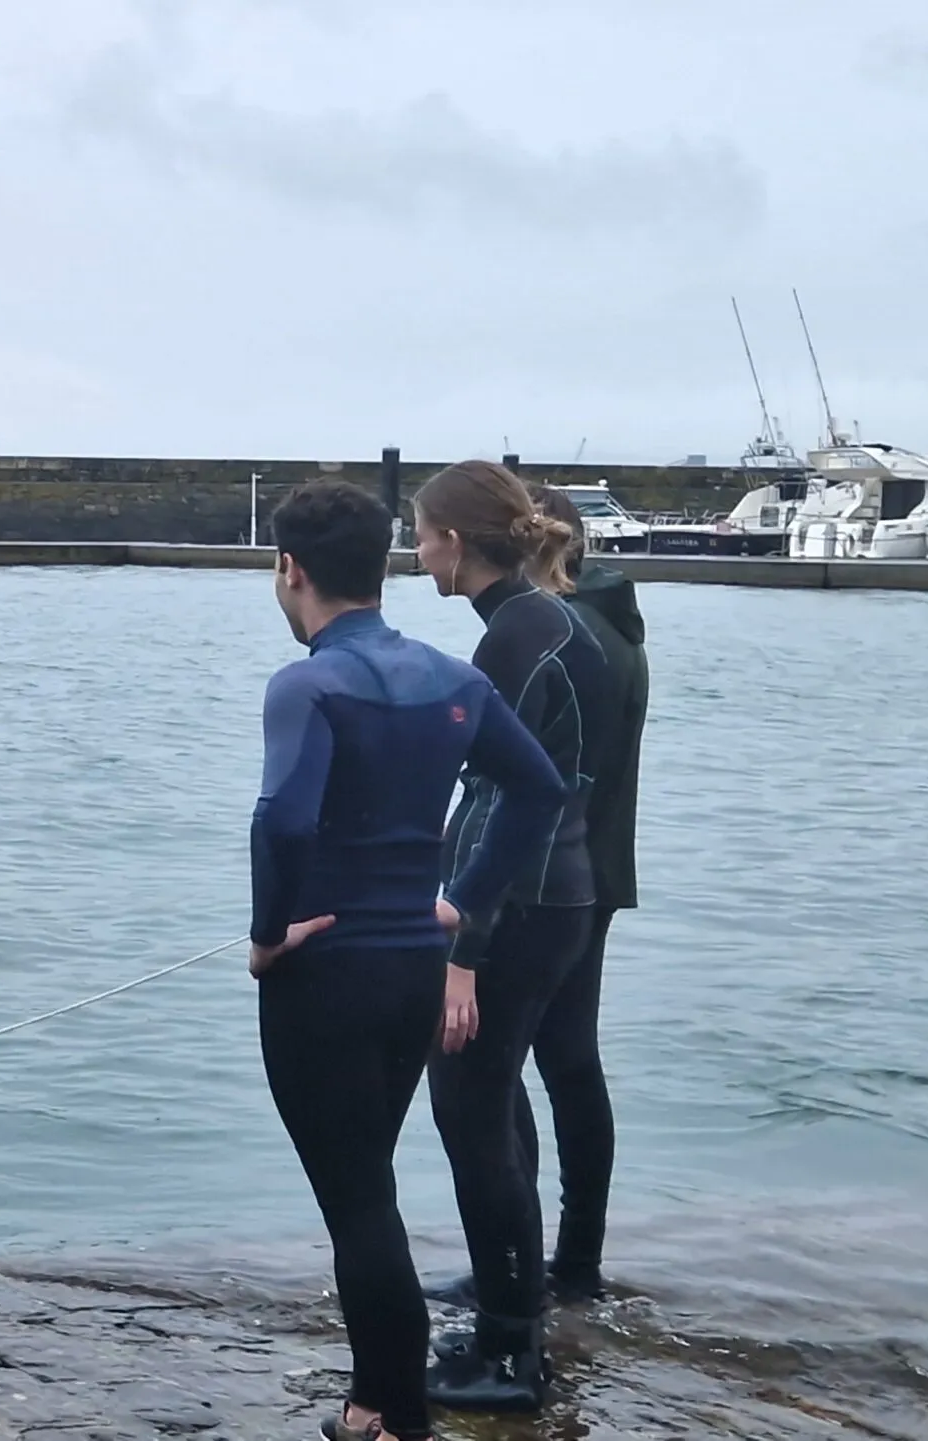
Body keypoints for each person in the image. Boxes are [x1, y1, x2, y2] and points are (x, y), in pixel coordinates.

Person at [251, 480, 568, 1441]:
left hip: (325, 973)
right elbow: (540, 790)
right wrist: (461, 900)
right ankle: (372, 1399)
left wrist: (269, 936)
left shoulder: (306, 683)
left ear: (290, 571)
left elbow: (283, 817)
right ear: (382, 566)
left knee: (358, 1204)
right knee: (369, 1188)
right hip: (413, 969)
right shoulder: (452, 679)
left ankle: (390, 1414)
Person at [410, 461, 614, 1413]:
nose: (417, 555)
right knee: (496, 1103)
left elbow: (507, 799)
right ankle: (515, 1299)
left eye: (421, 535)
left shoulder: (518, 639)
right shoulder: (549, 623)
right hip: (557, 896)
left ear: (455, 540)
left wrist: (463, 952)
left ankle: (509, 1355)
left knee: (469, 1109)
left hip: (523, 904)